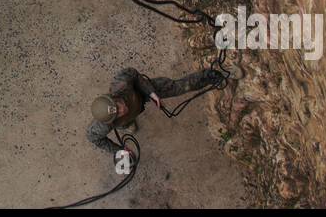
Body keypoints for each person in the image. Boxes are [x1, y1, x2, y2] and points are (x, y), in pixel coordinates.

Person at [87, 66, 225, 155]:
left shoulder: (121, 84)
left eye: (118, 104)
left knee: (177, 87)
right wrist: (119, 151)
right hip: (128, 118)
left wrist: (151, 92)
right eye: (117, 112)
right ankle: (128, 124)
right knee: (127, 123)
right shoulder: (103, 125)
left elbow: (133, 73)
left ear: (113, 96)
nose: (122, 109)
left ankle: (208, 76)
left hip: (141, 92)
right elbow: (93, 138)